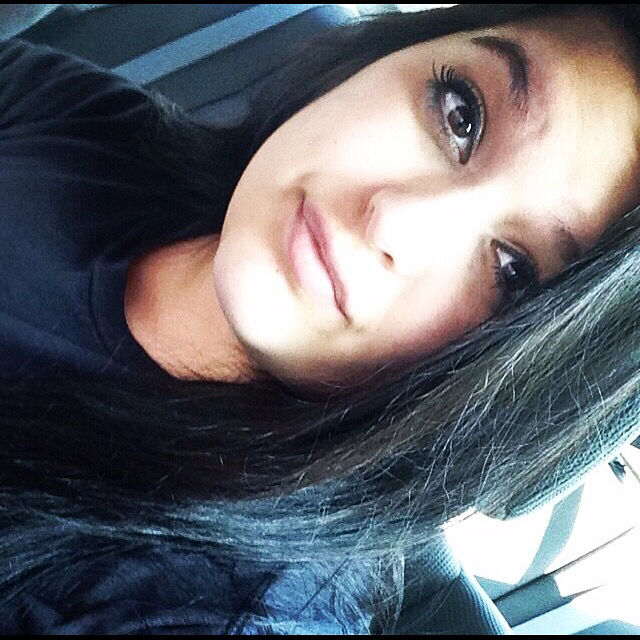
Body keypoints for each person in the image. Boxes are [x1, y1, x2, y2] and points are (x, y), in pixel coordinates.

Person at [1, 2, 640, 633]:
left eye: (512, 273)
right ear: (386, 53)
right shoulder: (110, 136)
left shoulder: (219, 607)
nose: (396, 221)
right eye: (460, 115)